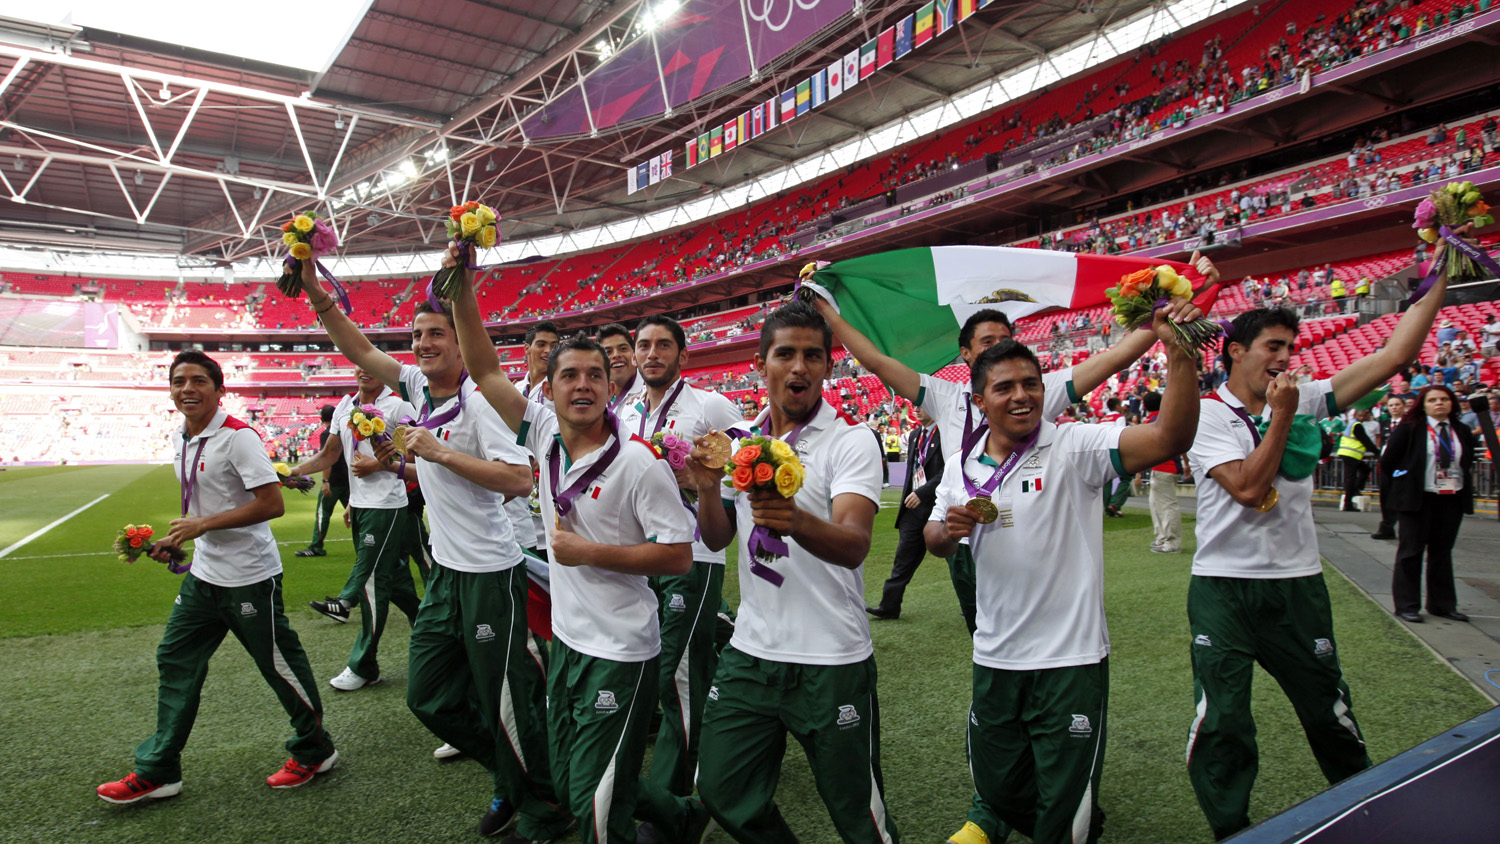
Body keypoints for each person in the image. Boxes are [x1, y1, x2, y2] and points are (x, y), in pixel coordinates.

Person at [812, 252, 1221, 844]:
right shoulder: (950, 411)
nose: (1018, 387)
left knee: (1062, 806)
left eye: (1014, 356)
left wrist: (1169, 330)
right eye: (988, 351)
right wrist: (832, 312)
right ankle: (1018, 805)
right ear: (971, 372)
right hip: (989, 604)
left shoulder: (1064, 428)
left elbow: (1153, 415)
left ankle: (1066, 807)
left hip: (1068, 645)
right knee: (1003, 775)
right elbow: (877, 362)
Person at [1182, 225, 1456, 840]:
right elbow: (1251, 490)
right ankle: (1231, 829)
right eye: (1272, 347)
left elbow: (1391, 358)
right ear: (1234, 351)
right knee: (1223, 720)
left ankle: (1366, 811)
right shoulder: (1205, 416)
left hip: (1296, 585)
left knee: (1330, 714)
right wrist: (1282, 414)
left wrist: (1437, 281)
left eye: (1290, 348)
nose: (1284, 359)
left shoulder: (1302, 398)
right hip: (1223, 588)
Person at [297, 258, 565, 841]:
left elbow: (520, 478)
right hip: (445, 572)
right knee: (428, 696)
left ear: (461, 343)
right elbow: (363, 352)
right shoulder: (417, 387)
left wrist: (438, 453)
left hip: (490, 573)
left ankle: (543, 804)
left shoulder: (482, 402)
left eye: (436, 333)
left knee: (507, 699)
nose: (422, 343)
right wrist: (320, 296)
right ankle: (511, 776)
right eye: (417, 335)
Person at [446, 253, 702, 844]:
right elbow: (484, 369)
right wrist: (462, 285)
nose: (582, 385)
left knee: (592, 804)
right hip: (567, 644)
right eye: (569, 375)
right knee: (569, 780)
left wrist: (591, 554)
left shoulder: (639, 462)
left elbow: (679, 555)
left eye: (594, 375)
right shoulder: (541, 434)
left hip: (621, 649)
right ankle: (683, 817)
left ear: (611, 387)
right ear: (551, 386)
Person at [924, 303, 1200, 844]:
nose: (1021, 394)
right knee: (1000, 790)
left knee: (1062, 817)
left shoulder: (1075, 446)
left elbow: (1170, 439)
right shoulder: (960, 465)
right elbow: (934, 538)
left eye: (1031, 383)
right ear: (979, 401)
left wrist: (1179, 354)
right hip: (996, 655)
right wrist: (948, 531)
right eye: (1004, 387)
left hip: (1070, 660)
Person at [689, 300, 898, 843]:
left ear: (829, 366)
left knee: (857, 812)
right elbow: (715, 538)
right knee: (721, 788)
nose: (799, 367)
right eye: (786, 354)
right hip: (752, 653)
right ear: (762, 364)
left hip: (830, 658)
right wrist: (709, 489)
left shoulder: (850, 440)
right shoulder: (740, 440)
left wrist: (796, 519)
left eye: (812, 355)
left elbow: (854, 545)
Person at [97, 351, 337, 804]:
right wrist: (180, 538)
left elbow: (271, 504)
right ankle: (159, 770)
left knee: (277, 665)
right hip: (204, 575)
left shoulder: (238, 437)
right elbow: (204, 504)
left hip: (249, 575)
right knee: (175, 659)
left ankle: (315, 749)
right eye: (178, 380)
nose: (187, 388)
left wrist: (202, 526)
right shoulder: (180, 437)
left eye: (198, 380)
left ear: (219, 388)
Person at [612, 314, 743, 843]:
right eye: (643, 345)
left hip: (694, 557)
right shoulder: (624, 409)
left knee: (677, 677)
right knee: (662, 671)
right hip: (644, 558)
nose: (650, 353)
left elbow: (747, 455)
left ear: (682, 356)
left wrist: (703, 479)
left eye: (663, 345)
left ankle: (678, 805)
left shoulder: (708, 404)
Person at [292, 366, 421, 691]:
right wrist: (293, 472)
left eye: (373, 365)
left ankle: (362, 660)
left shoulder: (399, 405)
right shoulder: (344, 407)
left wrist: (377, 464)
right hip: (362, 505)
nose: (366, 370)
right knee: (397, 582)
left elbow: (411, 450)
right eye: (360, 364)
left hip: (388, 505)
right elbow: (330, 454)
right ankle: (440, 635)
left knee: (372, 583)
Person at [1383, 384, 1477, 623]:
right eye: (1433, 400)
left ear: (1452, 404)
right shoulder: (1410, 428)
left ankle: (1442, 605)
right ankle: (1407, 605)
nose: (1439, 404)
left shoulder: (1461, 429)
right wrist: (1404, 481)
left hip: (1451, 498)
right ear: (1423, 404)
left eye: (1444, 399)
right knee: (1411, 552)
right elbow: (1389, 460)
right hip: (1418, 499)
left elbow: (1467, 462)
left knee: (1442, 553)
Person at [868, 409, 943, 620]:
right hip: (912, 509)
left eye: (922, 405)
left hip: (938, 506)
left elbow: (949, 471)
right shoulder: (915, 435)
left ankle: (972, 604)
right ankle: (889, 606)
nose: (917, 410)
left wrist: (923, 492)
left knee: (956, 562)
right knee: (903, 558)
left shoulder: (946, 434)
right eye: (915, 406)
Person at [294, 404, 349, 557]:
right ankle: (369, 544)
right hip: (348, 479)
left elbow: (327, 458)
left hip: (335, 480)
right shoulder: (344, 431)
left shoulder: (328, 434)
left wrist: (325, 480)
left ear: (321, 418)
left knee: (323, 514)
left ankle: (316, 546)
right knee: (355, 515)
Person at [1144, 392, 1185, 553]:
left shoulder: (1151, 422)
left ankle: (1171, 542)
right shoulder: (1166, 418)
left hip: (1163, 468)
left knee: (1165, 505)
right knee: (1157, 504)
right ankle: (1162, 537)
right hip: (1169, 467)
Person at [1370, 395, 1407, 540]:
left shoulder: (1409, 424)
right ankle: (1386, 527)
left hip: (1403, 464)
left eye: (1397, 404)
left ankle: (1405, 528)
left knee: (1402, 497)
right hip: (1387, 464)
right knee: (1385, 496)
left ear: (1403, 406)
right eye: (1391, 405)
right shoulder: (1385, 423)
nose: (1394, 408)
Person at [1336, 408, 1378, 511]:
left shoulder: (1352, 424)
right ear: (1355, 415)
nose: (1362, 418)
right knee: (1351, 478)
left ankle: (1355, 490)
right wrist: (1377, 453)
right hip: (1351, 454)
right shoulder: (1357, 425)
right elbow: (1366, 440)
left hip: (1347, 453)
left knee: (1365, 469)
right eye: (1360, 415)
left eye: (1364, 415)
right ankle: (1348, 503)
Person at [597, 322, 642, 410]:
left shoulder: (652, 392)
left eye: (623, 349)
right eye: (608, 352)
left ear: (634, 353)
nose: (616, 355)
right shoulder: (597, 397)